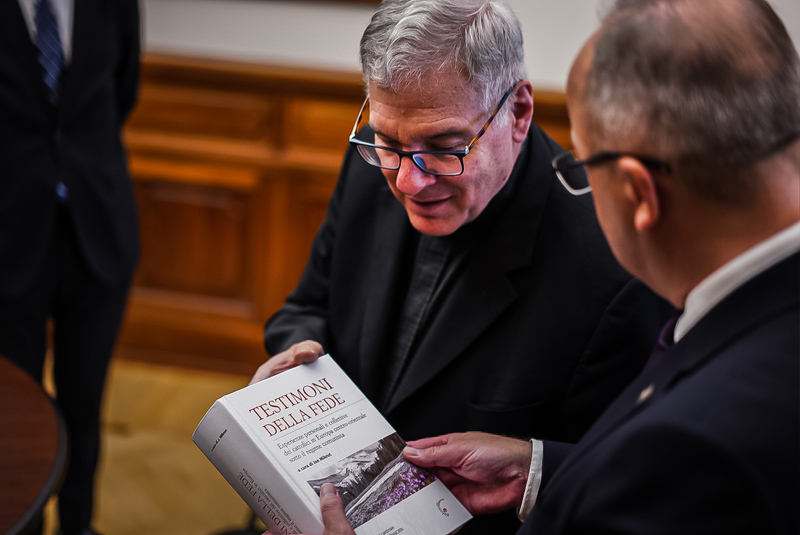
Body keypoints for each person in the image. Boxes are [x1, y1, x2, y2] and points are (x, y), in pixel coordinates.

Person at [279, 0, 799, 534]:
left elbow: (646, 474)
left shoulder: (613, 279)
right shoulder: (371, 165)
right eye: (387, 144)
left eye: (445, 147)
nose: (408, 180)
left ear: (520, 113)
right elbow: (307, 305)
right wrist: (534, 467)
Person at [0, 1, 141, 534]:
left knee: (85, 400)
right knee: (15, 410)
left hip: (98, 230)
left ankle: (79, 524)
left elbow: (122, 88)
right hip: (8, 238)